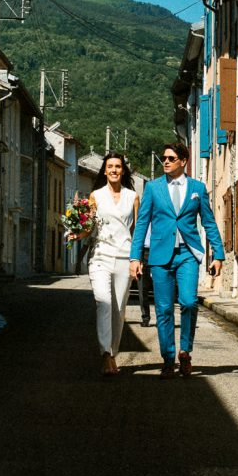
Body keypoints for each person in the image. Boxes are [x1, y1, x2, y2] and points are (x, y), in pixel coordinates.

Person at [130, 143, 224, 379]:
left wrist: (218, 255)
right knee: (163, 309)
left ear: (183, 161)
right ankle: (168, 358)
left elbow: (209, 223)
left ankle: (185, 351)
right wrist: (135, 256)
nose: (166, 161)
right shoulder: (153, 188)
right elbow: (142, 224)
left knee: (189, 302)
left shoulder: (197, 188)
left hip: (188, 254)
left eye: (171, 158)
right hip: (160, 256)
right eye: (164, 158)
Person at [69, 152, 139, 376]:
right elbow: (89, 227)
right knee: (104, 303)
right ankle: (105, 355)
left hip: (124, 257)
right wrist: (77, 235)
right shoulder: (95, 196)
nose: (114, 170)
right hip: (100, 255)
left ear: (123, 170)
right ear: (105, 170)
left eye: (118, 166)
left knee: (118, 310)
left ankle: (113, 353)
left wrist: (137, 259)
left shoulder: (133, 197)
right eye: (110, 166)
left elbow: (137, 232)